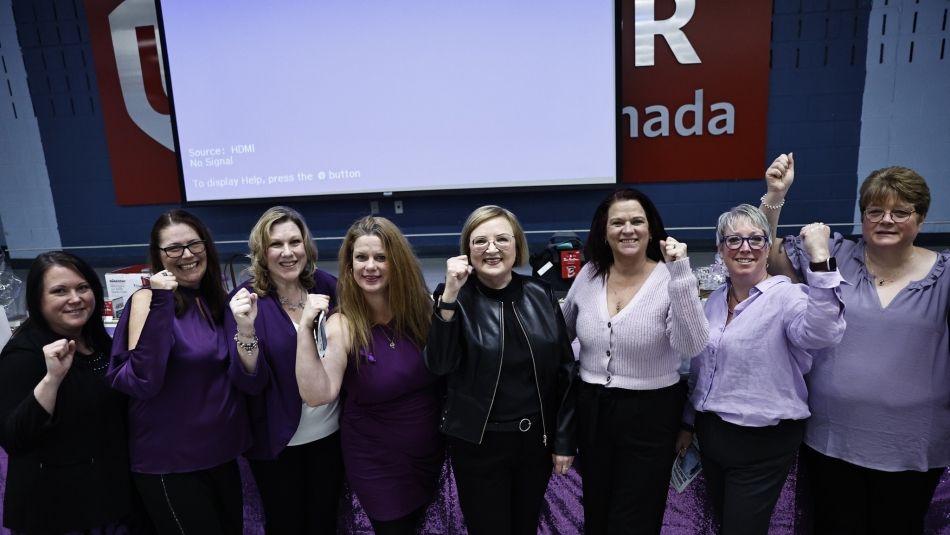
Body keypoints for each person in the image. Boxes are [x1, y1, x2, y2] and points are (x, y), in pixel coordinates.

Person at [762, 154, 950, 534]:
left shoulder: (944, 275)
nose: (886, 220)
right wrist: (775, 196)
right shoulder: (835, 254)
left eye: (901, 212)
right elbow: (766, 256)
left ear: (921, 218)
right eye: (875, 210)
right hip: (832, 440)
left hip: (911, 445)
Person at [682, 204, 846, 535]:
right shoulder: (714, 301)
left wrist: (819, 260)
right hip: (712, 434)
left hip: (762, 442)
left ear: (768, 247)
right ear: (720, 249)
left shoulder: (788, 297)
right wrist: (688, 422)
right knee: (723, 523)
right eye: (734, 240)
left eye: (756, 239)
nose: (745, 248)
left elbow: (824, 333)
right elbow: (703, 368)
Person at [560, 188, 709, 534]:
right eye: (618, 222)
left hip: (650, 413)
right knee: (597, 508)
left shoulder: (671, 278)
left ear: (651, 228)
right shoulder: (589, 276)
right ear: (604, 231)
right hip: (593, 409)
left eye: (636, 221)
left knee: (636, 516)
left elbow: (692, 343)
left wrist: (681, 273)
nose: (628, 229)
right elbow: (558, 335)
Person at [424, 205, 578, 535]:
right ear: (467, 251)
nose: (492, 249)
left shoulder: (541, 294)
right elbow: (439, 363)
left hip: (534, 444)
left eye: (502, 239)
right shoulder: (454, 298)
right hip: (478, 445)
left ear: (517, 245)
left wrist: (563, 440)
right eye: (480, 241)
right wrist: (449, 294)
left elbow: (565, 371)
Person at [295, 215, 443, 535]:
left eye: (380, 257)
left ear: (397, 263)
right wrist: (306, 329)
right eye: (360, 258)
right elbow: (318, 393)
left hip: (432, 454)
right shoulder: (343, 325)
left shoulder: (423, 311)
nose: (370, 266)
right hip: (377, 464)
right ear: (348, 267)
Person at [108, 209, 251, 534]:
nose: (186, 255)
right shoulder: (147, 300)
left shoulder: (213, 299)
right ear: (158, 256)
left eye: (194, 244)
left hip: (220, 455)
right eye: (173, 248)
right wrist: (160, 300)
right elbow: (143, 380)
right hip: (171, 462)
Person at [226, 206, 343, 534]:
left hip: (330, 437)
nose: (288, 252)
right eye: (277, 244)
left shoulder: (326, 286)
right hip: (278, 445)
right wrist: (246, 331)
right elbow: (249, 381)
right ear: (262, 252)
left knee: (325, 525)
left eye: (295, 241)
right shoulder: (246, 300)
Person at [0, 251, 132, 534]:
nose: (75, 298)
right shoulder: (23, 355)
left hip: (109, 497)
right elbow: (15, 439)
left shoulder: (99, 340)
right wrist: (52, 379)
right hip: (57, 511)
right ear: (38, 300)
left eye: (82, 287)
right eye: (60, 291)